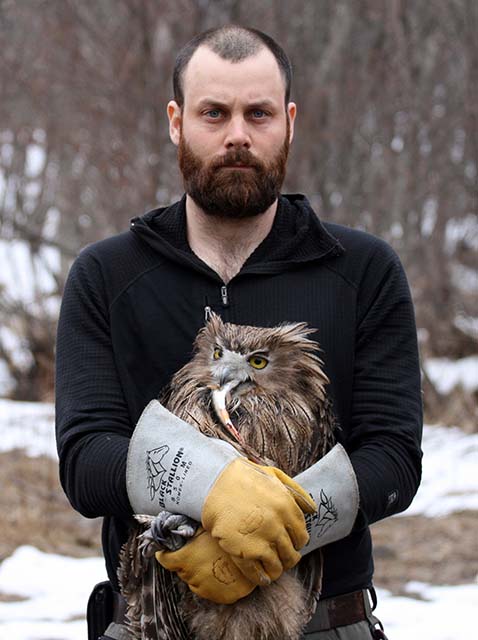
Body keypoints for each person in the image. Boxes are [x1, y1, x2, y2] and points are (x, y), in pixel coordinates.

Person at [55, 25, 422, 640]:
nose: (237, 136)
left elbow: (393, 459)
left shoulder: (362, 271)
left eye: (259, 113)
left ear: (290, 120)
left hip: (323, 624)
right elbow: (86, 459)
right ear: (176, 122)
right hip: (151, 623)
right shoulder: (106, 275)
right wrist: (209, 491)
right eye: (213, 113)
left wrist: (273, 529)